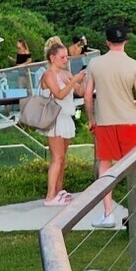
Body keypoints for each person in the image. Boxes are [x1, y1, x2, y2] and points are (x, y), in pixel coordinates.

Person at [83, 24, 136, 228]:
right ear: (125, 41)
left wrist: (91, 119)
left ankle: (108, 214)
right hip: (129, 120)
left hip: (105, 121)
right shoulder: (135, 65)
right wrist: (133, 103)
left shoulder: (95, 64)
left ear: (107, 42)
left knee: (105, 167)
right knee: (132, 167)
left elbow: (87, 96)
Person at [39, 37, 87, 206]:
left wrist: (85, 78)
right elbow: (59, 94)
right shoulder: (48, 75)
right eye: (62, 57)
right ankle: (50, 196)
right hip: (55, 119)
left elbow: (79, 91)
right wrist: (74, 80)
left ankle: (59, 191)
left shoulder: (66, 74)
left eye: (66, 57)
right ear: (52, 58)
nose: (65, 60)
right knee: (57, 158)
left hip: (65, 117)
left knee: (62, 159)